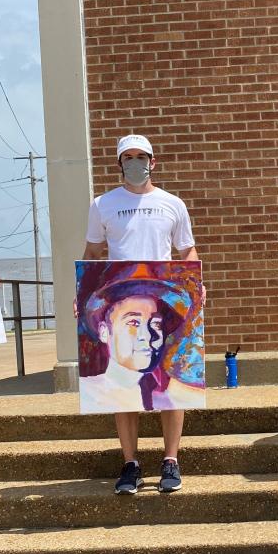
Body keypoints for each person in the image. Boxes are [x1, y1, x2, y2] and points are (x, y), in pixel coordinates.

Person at [83, 134, 202, 494]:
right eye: (128, 157)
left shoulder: (172, 204)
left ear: (153, 161)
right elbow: (91, 250)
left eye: (141, 156)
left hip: (159, 304)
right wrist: (83, 291)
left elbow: (187, 250)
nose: (135, 162)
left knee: (169, 386)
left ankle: (171, 460)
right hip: (121, 304)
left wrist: (197, 285)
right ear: (119, 163)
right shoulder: (102, 204)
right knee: (123, 387)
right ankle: (130, 463)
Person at [79, 278, 204, 410]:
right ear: (104, 332)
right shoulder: (88, 393)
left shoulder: (177, 396)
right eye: (133, 323)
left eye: (156, 324)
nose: (148, 335)